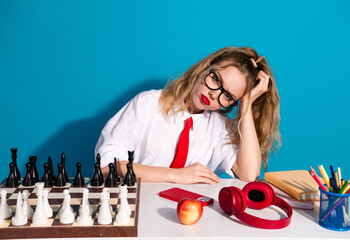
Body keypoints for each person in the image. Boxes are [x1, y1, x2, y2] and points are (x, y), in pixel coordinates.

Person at [95, 46, 280, 184]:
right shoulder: (147, 104)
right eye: (215, 79)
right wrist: (175, 175)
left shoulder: (219, 126)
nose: (214, 94)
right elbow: (106, 168)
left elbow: (248, 174)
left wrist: (246, 104)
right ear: (205, 67)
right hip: (134, 209)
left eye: (228, 96)